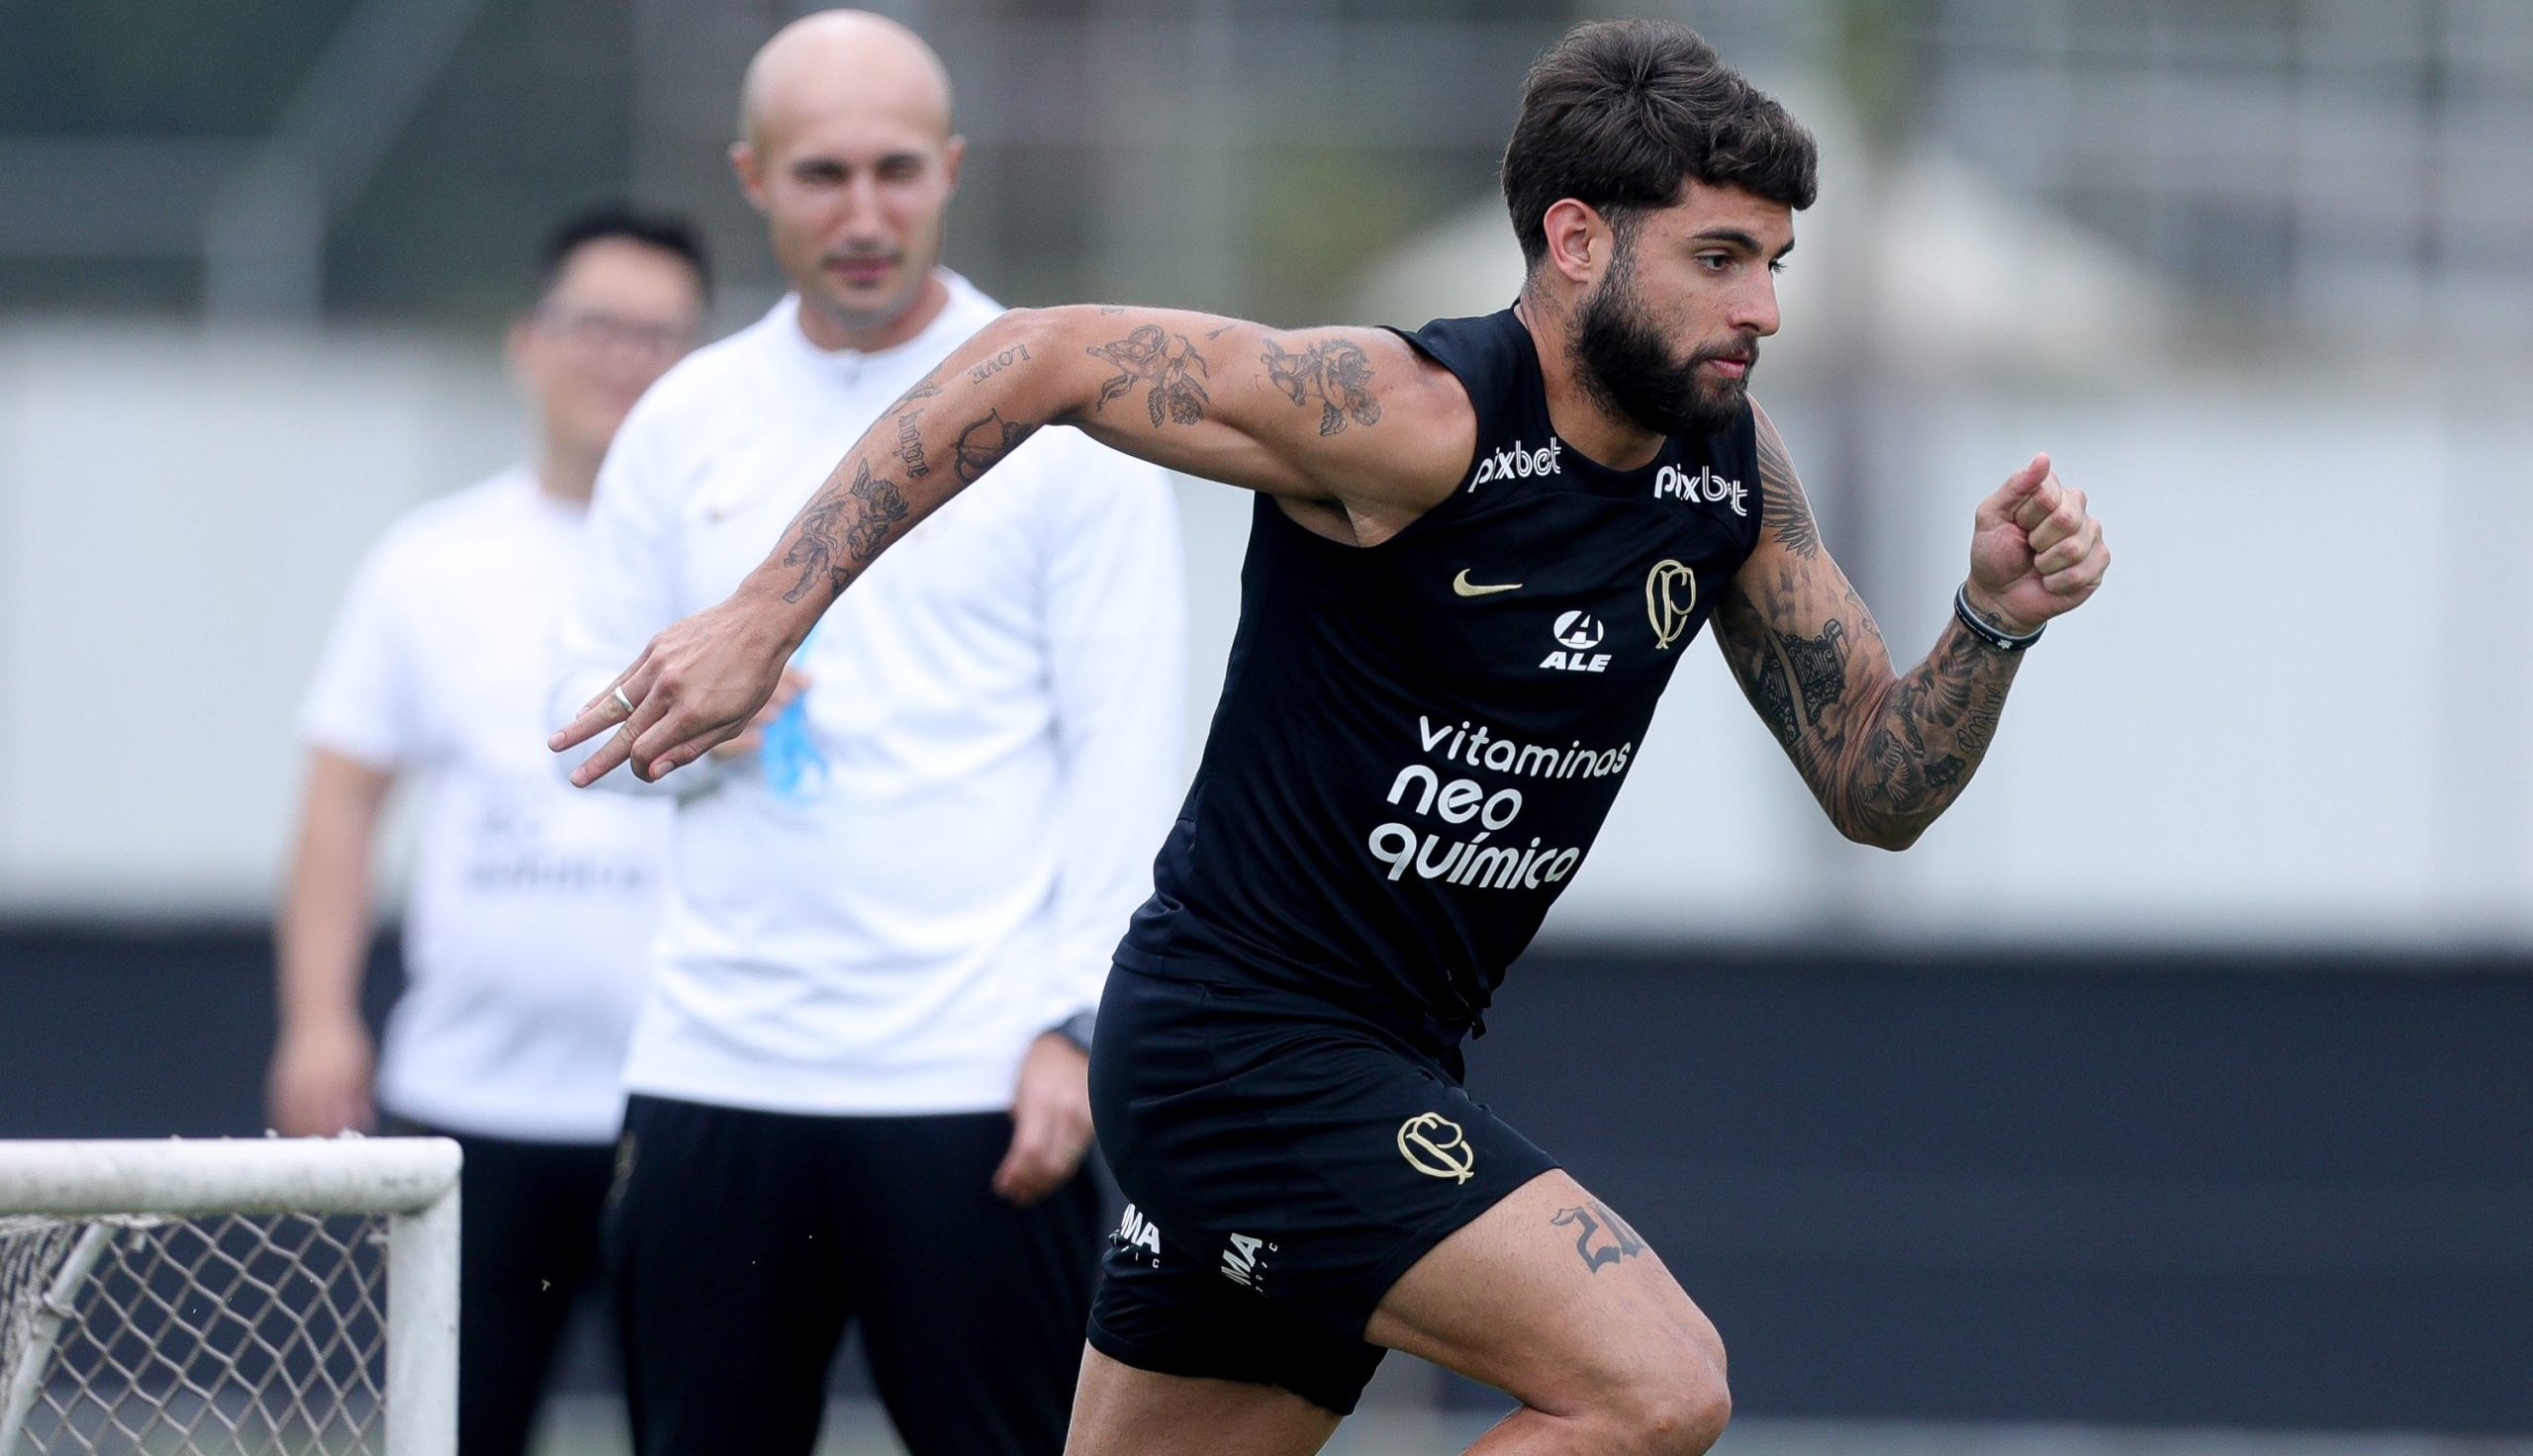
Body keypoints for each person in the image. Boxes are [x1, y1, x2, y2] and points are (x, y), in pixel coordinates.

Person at [557, 18, 2111, 1456]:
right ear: (1576, 239)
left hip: (1375, 1061)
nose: (1763, 308)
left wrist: (1992, 622)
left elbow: (1876, 787)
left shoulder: (1728, 470)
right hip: (1237, 1053)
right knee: (1657, 1383)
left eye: (1773, 262)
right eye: (1718, 258)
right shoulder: (1409, 415)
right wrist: (770, 614)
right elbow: (1040, 353)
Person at [546, 12, 1184, 1456]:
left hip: (973, 1087)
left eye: (897, 170)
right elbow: (573, 714)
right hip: (714, 1065)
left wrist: (1072, 1032)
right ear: (753, 177)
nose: (864, 212)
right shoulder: (683, 417)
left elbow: (1129, 753)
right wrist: (694, 728)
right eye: (822, 173)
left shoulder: (1062, 416)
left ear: (951, 169)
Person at [272, 203, 708, 1456]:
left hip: (688, 1100)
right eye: (594, 324)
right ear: (528, 341)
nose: (622, 357)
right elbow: (341, 799)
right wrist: (317, 1015)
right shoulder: (432, 560)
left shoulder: (754, 571)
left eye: (659, 333)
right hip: (467, 1110)